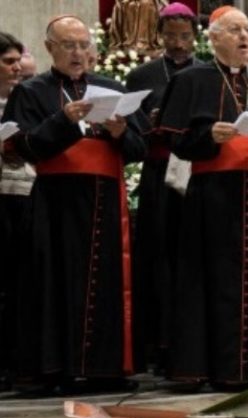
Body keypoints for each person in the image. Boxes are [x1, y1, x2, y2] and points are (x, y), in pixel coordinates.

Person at [2, 16, 146, 387]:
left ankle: (104, 368)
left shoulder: (111, 88)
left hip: (105, 203)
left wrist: (121, 131)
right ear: (50, 48)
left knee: (107, 283)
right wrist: (63, 120)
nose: (78, 53)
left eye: (84, 45)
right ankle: (56, 369)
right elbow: (26, 146)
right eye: (69, 45)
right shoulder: (30, 92)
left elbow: (138, 149)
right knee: (54, 283)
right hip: (55, 202)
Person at [158, 6, 248, 387]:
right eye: (234, 30)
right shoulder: (190, 81)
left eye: (247, 30)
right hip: (212, 201)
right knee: (211, 282)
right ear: (214, 37)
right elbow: (175, 141)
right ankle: (212, 367)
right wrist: (208, 138)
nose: (244, 37)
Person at [125, 1, 198, 373]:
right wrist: (151, 124)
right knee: (158, 255)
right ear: (160, 36)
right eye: (171, 36)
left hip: (195, 173)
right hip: (157, 175)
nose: (178, 44)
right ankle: (158, 343)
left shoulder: (205, 73)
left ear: (195, 36)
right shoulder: (142, 76)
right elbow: (131, 126)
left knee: (191, 254)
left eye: (184, 36)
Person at [0, 31, 26, 388]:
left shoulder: (26, 100)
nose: (17, 67)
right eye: (8, 61)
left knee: (17, 282)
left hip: (20, 194)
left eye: (18, 60)